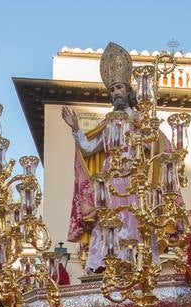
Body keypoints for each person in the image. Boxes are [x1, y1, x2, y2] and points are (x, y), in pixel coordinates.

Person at [62, 42, 146, 273]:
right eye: (112, 90)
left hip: (132, 178)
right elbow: (89, 149)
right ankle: (100, 264)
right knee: (105, 220)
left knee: (130, 220)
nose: (116, 92)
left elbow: (153, 145)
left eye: (119, 87)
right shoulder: (107, 122)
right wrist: (76, 128)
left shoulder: (140, 120)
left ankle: (128, 263)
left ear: (128, 91)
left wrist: (148, 133)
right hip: (109, 181)